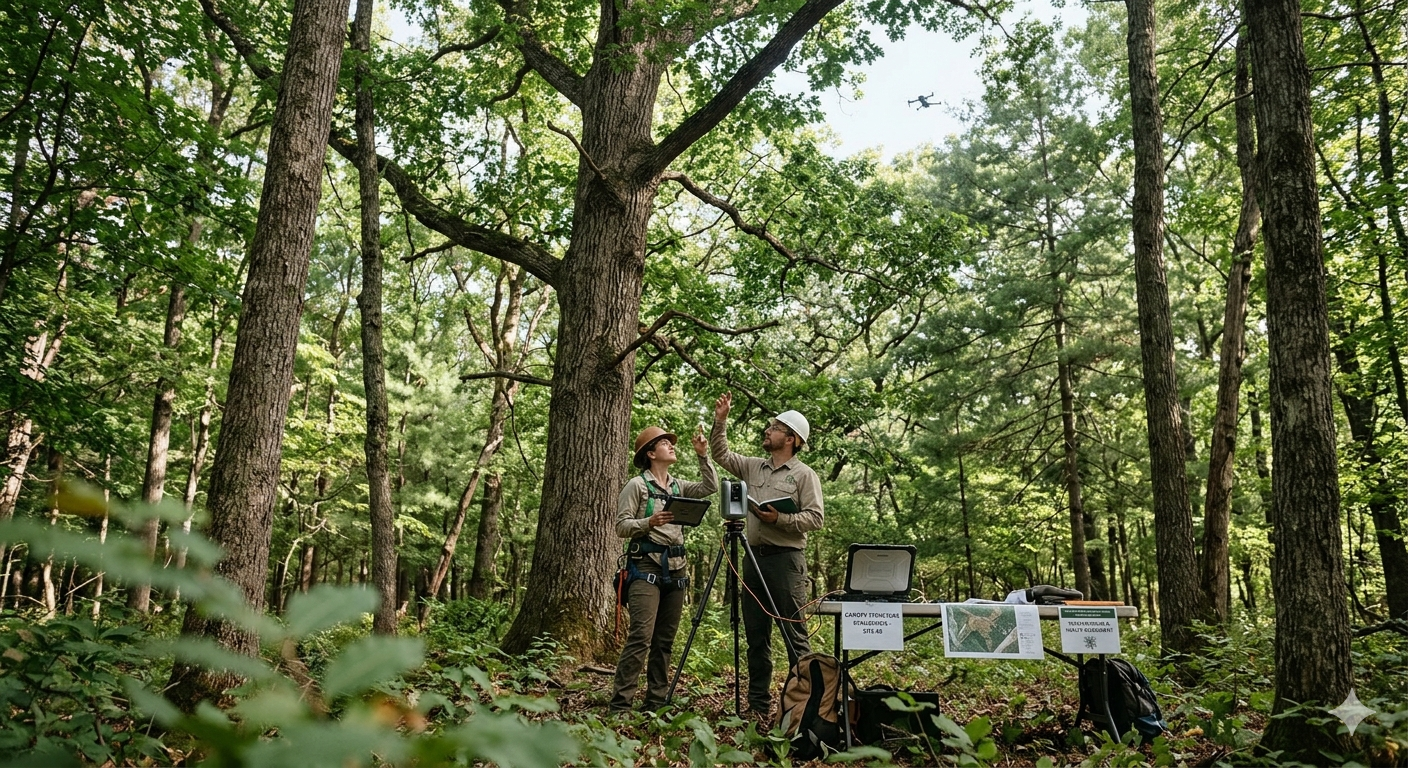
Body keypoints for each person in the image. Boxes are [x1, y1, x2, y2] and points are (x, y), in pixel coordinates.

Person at [710, 392, 823, 716]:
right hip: (752, 558)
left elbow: (816, 518)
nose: (767, 431)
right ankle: (758, 707)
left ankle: (803, 708)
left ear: (791, 438)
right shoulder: (753, 467)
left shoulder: (804, 475)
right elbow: (721, 454)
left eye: (774, 428)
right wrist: (721, 420)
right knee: (756, 638)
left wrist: (781, 519)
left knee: (794, 635)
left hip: (786, 562)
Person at [609, 425, 717, 713]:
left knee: (664, 641)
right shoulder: (637, 485)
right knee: (641, 637)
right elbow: (621, 526)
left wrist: (703, 456)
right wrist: (649, 523)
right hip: (645, 567)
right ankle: (620, 706)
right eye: (665, 443)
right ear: (651, 453)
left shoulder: (679, 486)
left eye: (671, 442)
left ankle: (656, 703)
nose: (671, 446)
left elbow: (711, 487)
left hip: (677, 570)